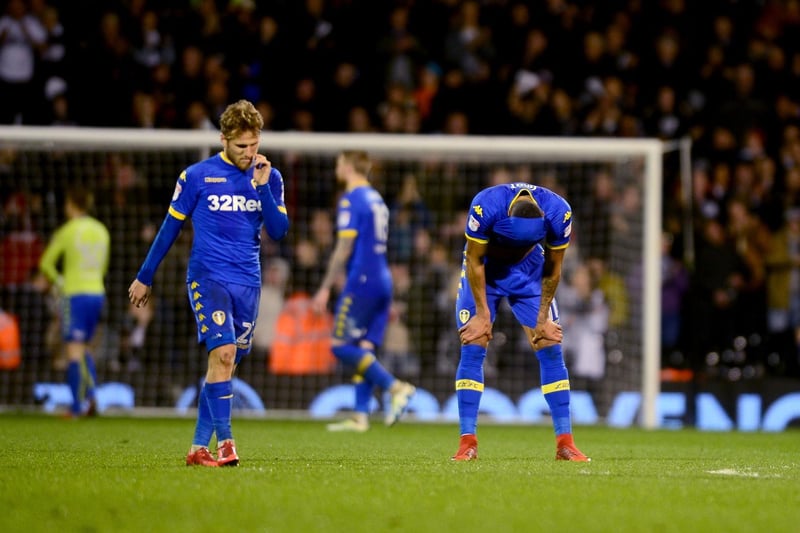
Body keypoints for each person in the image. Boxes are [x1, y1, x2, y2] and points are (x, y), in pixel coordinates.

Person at [128, 99, 289, 467]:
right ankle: (227, 443)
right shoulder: (196, 176)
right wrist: (144, 276)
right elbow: (170, 228)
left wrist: (263, 187)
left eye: (255, 144)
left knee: (225, 366)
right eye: (241, 146)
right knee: (224, 354)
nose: (250, 153)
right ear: (223, 139)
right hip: (208, 278)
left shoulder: (269, 176)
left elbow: (279, 232)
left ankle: (198, 448)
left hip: (248, 282)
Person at [452, 181, 590, 461]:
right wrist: (483, 314)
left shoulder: (558, 212)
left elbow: (554, 267)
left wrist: (541, 318)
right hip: (486, 270)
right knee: (473, 340)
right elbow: (474, 259)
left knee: (549, 340)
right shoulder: (485, 205)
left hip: (529, 270)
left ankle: (565, 442)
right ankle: (468, 442)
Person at [311, 150, 416, 432]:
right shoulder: (377, 199)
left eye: (338, 163)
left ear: (347, 167)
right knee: (365, 347)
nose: (337, 167)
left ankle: (396, 387)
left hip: (363, 279)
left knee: (340, 345)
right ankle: (360, 415)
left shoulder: (352, 199)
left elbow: (344, 248)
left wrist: (323, 288)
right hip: (382, 278)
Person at [39, 186, 110, 418]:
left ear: (71, 205)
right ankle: (92, 399)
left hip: (75, 293)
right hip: (97, 293)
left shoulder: (67, 231)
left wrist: (60, 282)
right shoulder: (102, 231)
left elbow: (46, 264)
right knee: (84, 349)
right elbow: (104, 265)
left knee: (73, 351)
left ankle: (76, 408)